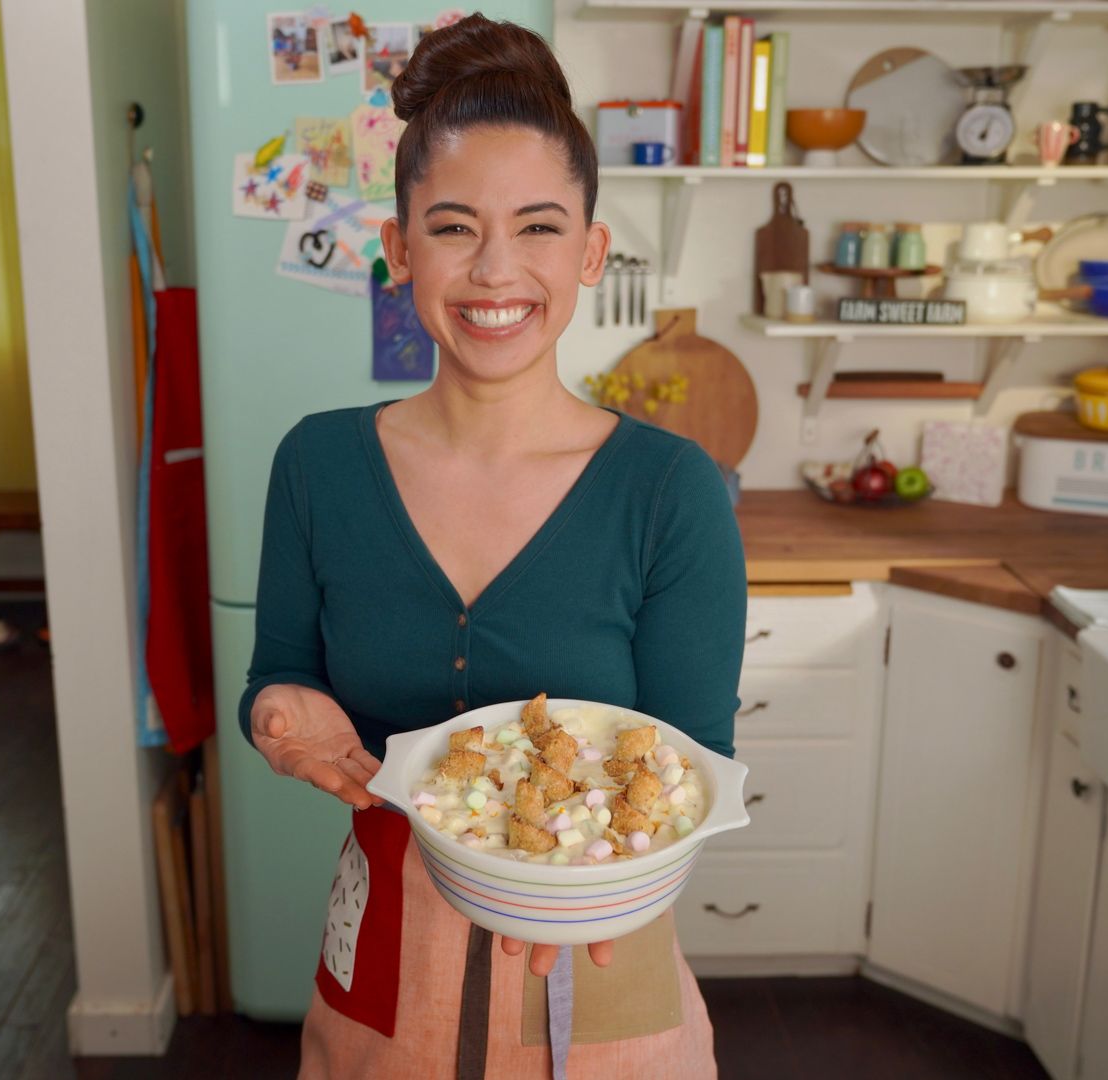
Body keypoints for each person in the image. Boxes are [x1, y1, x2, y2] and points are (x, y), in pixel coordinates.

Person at [239, 14, 745, 1078]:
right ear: (400, 248)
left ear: (593, 252)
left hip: (602, 962)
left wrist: (595, 882)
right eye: (457, 226)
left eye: (541, 226)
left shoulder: (669, 493)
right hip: (380, 966)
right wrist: (280, 714)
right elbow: (279, 671)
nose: (496, 271)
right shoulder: (319, 467)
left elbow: (691, 767)